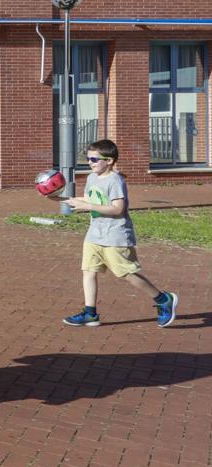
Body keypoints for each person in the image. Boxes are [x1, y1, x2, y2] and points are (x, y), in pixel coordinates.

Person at [63, 139, 178, 328]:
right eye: (88, 158)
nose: (89, 162)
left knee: (127, 274)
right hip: (94, 234)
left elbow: (118, 208)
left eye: (94, 159)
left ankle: (163, 299)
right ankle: (90, 314)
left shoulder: (115, 180)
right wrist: (63, 198)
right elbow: (89, 198)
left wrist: (88, 205)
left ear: (109, 161)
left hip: (115, 235)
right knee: (89, 272)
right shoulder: (92, 177)